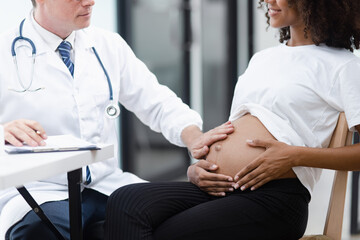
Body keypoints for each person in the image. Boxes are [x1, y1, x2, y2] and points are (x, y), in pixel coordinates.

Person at [104, 0, 360, 239]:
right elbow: (234, 132)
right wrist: (200, 166)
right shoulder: (262, 59)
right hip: (220, 188)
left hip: (274, 198)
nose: (268, 0)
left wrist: (294, 156)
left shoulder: (342, 66)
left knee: (167, 232)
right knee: (126, 202)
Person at [0, 0, 235, 239]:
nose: (90, 2)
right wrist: (3, 131)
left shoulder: (107, 45)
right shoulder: (3, 51)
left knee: (186, 220)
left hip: (107, 183)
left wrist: (195, 139)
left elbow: (157, 102)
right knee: (41, 231)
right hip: (40, 190)